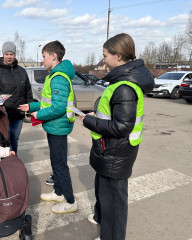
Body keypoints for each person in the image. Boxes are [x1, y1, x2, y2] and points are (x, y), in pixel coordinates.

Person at [81, 33, 154, 240]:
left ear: (119, 56)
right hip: (111, 151)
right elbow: (117, 117)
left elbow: (122, 126)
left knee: (114, 204)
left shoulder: (124, 87)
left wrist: (89, 121)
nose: (103, 59)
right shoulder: (121, 82)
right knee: (107, 198)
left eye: (105, 55)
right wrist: (97, 117)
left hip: (116, 153)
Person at [18, 40, 77, 214]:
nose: (42, 60)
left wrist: (38, 115)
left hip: (58, 128)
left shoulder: (58, 77)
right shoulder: (54, 74)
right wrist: (32, 107)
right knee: (56, 162)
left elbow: (57, 108)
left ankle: (70, 201)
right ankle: (58, 193)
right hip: (54, 127)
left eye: (44, 56)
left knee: (60, 165)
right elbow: (47, 103)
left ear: (54, 56)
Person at [0, 41, 33, 155]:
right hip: (2, 114)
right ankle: (3, 164)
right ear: (3, 55)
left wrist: (30, 108)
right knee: (2, 141)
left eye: (11, 54)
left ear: (15, 55)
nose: (9, 56)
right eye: (7, 54)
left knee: (14, 140)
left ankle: (13, 162)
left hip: (17, 113)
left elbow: (28, 90)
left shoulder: (22, 71)